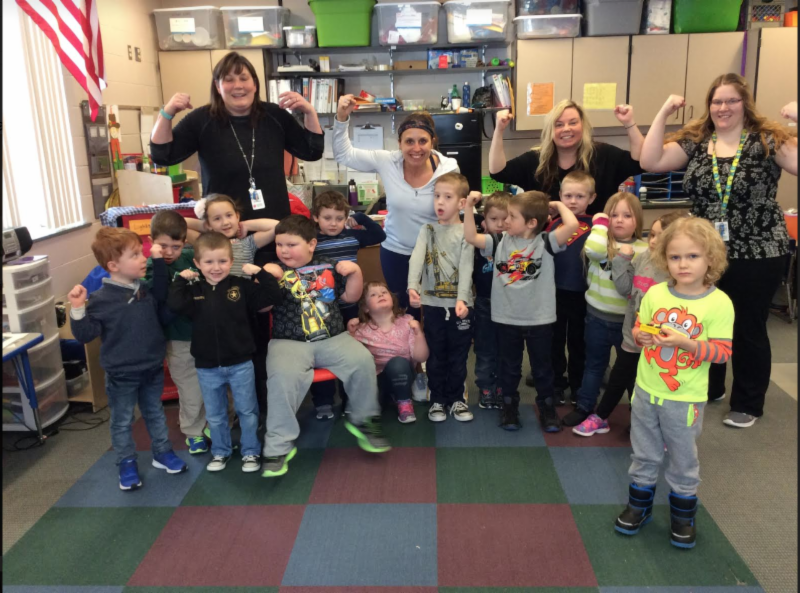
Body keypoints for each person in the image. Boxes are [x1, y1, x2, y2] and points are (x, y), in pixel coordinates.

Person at [639, 74, 798, 428]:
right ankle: (710, 386)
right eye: (717, 101)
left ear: (745, 104)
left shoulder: (767, 141)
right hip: (705, 251)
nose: (723, 107)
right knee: (703, 320)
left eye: (731, 101)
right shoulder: (698, 142)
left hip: (757, 249)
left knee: (746, 326)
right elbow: (650, 161)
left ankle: (747, 403)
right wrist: (664, 111)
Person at [614, 217, 733, 550]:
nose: (683, 264)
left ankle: (683, 516)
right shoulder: (655, 293)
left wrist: (686, 343)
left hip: (685, 399)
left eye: (692, 256)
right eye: (675, 257)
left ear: (711, 258)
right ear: (664, 259)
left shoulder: (719, 303)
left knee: (683, 459)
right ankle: (639, 506)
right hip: (646, 390)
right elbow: (640, 327)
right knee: (644, 453)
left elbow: (722, 353)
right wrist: (640, 336)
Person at [150, 51, 323, 266]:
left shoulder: (275, 116)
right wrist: (167, 113)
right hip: (222, 237)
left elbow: (312, 151)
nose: (238, 86)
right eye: (229, 80)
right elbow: (162, 155)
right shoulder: (202, 120)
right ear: (217, 86)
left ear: (255, 84)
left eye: (243, 78)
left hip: (273, 233)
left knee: (273, 282)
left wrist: (309, 112)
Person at [260, 215, 390, 477]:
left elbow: (350, 296)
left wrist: (356, 273)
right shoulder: (275, 269)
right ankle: (278, 446)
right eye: (279, 245)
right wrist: (266, 280)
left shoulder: (328, 265)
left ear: (311, 244)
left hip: (332, 337)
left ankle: (364, 420)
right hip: (289, 341)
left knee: (362, 360)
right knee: (281, 377)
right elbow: (263, 308)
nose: (284, 250)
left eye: (291, 245)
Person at [68, 228, 187, 491]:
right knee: (122, 421)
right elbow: (85, 334)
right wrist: (77, 308)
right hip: (121, 373)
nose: (143, 258)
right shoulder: (100, 299)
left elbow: (161, 289)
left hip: (151, 366)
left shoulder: (144, 289)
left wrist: (158, 260)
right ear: (113, 266)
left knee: (155, 413)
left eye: (141, 253)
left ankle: (162, 452)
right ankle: (126, 462)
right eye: (135, 255)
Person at [333, 96, 460, 319]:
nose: (416, 148)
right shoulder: (387, 161)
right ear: (399, 143)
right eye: (409, 141)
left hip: (436, 254)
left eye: (423, 141)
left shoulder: (448, 168)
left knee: (439, 315)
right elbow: (344, 154)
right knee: (405, 314)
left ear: (432, 142)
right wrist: (342, 118)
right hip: (396, 253)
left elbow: (455, 213)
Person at [464, 190, 579, 432]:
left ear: (531, 223)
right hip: (507, 319)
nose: (505, 221)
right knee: (509, 367)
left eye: (512, 216)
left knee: (542, 368)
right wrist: (468, 207)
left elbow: (572, 225)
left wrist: (558, 204)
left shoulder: (546, 242)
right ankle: (509, 407)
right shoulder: (498, 241)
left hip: (539, 320)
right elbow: (471, 237)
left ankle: (547, 408)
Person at [167, 232, 281, 473]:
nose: (216, 267)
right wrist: (180, 280)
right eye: (208, 262)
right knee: (216, 414)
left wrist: (260, 273)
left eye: (222, 261)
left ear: (231, 261)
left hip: (241, 363)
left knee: (247, 411)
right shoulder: (194, 289)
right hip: (207, 366)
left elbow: (273, 296)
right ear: (197, 263)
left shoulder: (241, 286)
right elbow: (175, 305)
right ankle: (221, 451)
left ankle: (251, 451)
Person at [573, 211, 687, 437]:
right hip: (633, 332)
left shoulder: (677, 271)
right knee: (619, 376)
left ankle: (646, 423)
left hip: (662, 342)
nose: (653, 241)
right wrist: (622, 260)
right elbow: (625, 289)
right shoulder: (644, 257)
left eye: (661, 236)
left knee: (649, 382)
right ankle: (601, 416)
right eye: (651, 235)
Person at [563, 192, 648, 428]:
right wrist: (600, 224)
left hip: (629, 323)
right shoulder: (600, 243)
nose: (619, 220)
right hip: (597, 318)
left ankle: (638, 414)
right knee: (594, 366)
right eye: (613, 215)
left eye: (627, 215)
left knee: (631, 371)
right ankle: (584, 406)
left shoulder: (644, 250)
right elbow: (593, 251)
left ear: (638, 219)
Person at [308, 190, 387, 420]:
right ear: (316, 217)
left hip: (350, 305)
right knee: (321, 353)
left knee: (351, 354)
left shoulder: (352, 236)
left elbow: (379, 235)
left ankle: (349, 399)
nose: (333, 223)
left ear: (346, 217)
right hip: (321, 307)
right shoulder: (311, 240)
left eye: (339, 218)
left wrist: (360, 217)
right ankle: (323, 401)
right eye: (327, 218)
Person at [488, 100, 644, 215]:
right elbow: (498, 172)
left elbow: (639, 162)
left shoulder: (603, 155)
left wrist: (629, 122)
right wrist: (499, 130)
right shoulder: (536, 160)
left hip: (595, 242)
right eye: (559, 124)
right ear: (550, 130)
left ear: (582, 125)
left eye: (573, 123)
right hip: (548, 243)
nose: (566, 129)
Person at [407, 173, 475, 423]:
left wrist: (463, 299)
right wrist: (412, 286)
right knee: (436, 354)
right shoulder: (427, 230)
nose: (440, 202)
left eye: (447, 197)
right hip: (433, 305)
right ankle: (437, 399)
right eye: (437, 196)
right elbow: (416, 258)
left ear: (461, 203)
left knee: (459, 355)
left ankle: (457, 398)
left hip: (460, 307)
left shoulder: (467, 232)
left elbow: (466, 266)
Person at [144, 211, 208, 455]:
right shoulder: (153, 266)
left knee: (213, 384)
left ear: (185, 242)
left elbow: (209, 242)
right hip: (178, 338)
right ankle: (193, 432)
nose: (169, 252)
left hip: (205, 333)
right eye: (162, 246)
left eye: (176, 246)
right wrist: (159, 261)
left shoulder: (191, 257)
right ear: (151, 242)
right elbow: (159, 294)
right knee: (190, 388)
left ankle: (214, 425)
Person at [546, 170, 597, 406]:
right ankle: (557, 384)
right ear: (560, 196)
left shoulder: (597, 225)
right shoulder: (554, 224)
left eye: (580, 196)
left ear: (591, 198)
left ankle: (578, 386)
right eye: (568, 196)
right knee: (554, 341)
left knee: (579, 343)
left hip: (583, 294)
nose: (573, 201)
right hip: (554, 292)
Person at [347, 282, 430, 424]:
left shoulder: (407, 322)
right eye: (373, 295)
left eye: (384, 292)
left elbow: (421, 357)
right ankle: (388, 397)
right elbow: (352, 360)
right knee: (373, 411)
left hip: (402, 374)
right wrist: (352, 333)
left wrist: (418, 333)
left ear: (392, 299)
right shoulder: (362, 329)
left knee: (397, 363)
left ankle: (404, 402)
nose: (380, 295)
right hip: (376, 379)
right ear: (366, 307)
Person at [472, 191, 510, 410]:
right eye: (494, 219)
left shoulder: (516, 243)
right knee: (485, 349)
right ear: (484, 221)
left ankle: (502, 388)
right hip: (484, 303)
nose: (500, 224)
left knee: (506, 350)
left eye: (505, 219)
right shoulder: (479, 244)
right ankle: (486, 388)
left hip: (509, 305)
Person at [187, 194, 278, 279]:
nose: (225, 222)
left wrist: (245, 225)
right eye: (217, 218)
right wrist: (206, 226)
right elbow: (181, 225)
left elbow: (278, 226)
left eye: (229, 215)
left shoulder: (247, 243)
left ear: (237, 216)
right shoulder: (204, 242)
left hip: (242, 290)